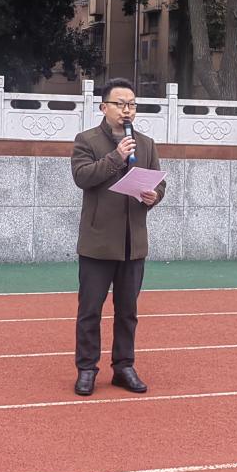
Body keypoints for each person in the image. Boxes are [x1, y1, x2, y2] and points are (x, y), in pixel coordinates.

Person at [71, 78, 166, 396]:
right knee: (90, 311)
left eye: (132, 105)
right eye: (120, 104)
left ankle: (124, 367)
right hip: (98, 243)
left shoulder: (146, 144)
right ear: (104, 107)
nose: (127, 110)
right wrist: (116, 157)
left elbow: (158, 182)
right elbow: (82, 177)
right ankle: (87, 369)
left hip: (132, 242)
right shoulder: (86, 140)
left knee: (128, 312)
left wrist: (154, 195)